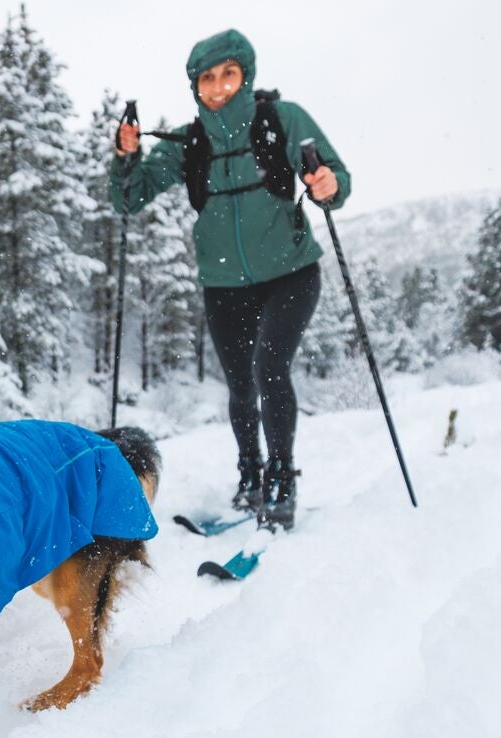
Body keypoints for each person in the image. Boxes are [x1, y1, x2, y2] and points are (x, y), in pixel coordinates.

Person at [108, 28, 351, 529]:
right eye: (206, 80)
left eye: (228, 75)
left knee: (269, 368)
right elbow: (129, 199)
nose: (218, 88)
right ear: (195, 87)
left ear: (246, 75)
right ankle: (251, 474)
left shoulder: (282, 120)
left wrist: (327, 184)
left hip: (291, 273)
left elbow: (335, 179)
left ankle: (282, 477)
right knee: (240, 385)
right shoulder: (191, 141)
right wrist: (126, 160)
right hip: (223, 285)